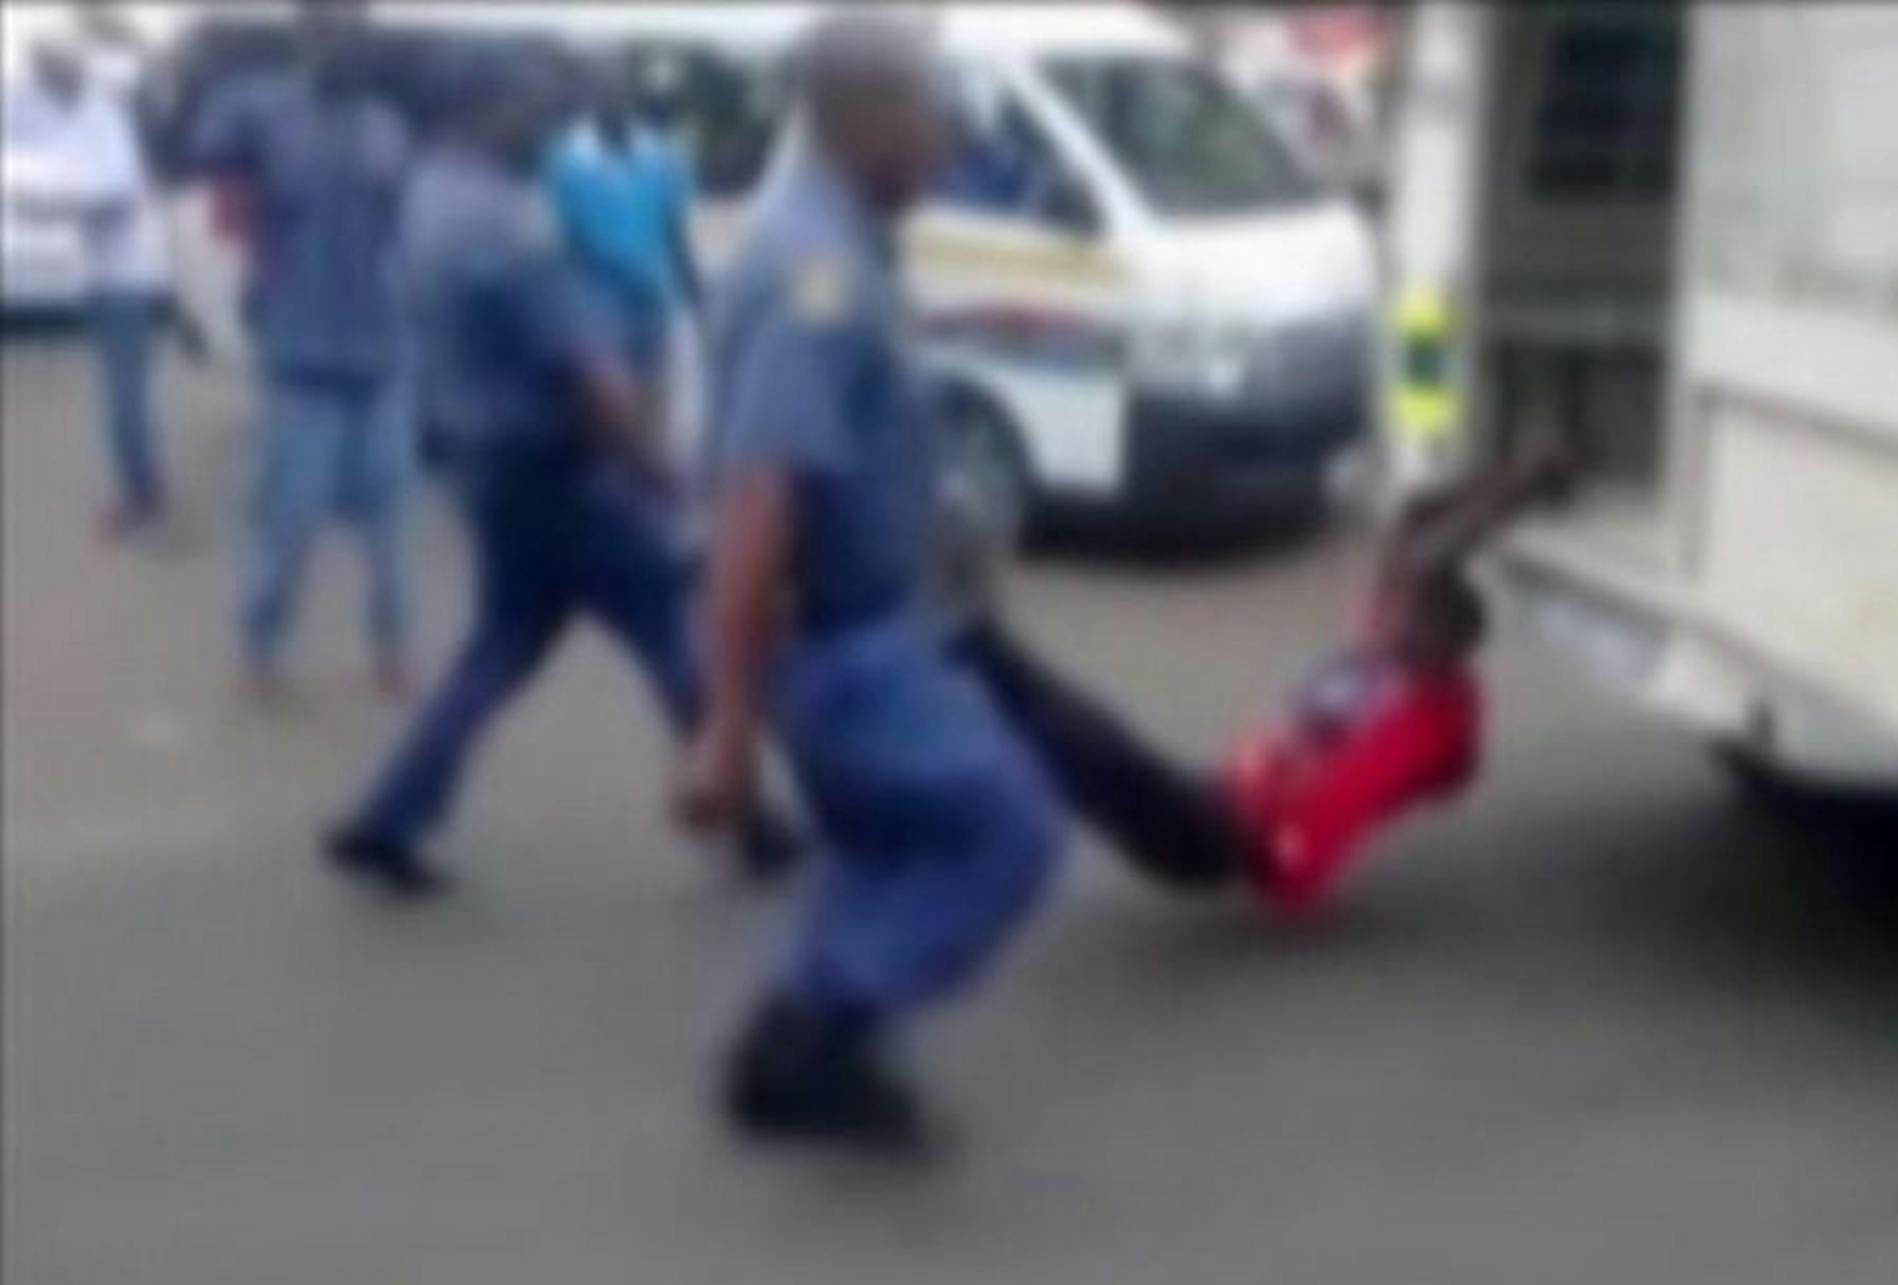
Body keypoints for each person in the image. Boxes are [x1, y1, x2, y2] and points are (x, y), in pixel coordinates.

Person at [676, 16, 1064, 1154]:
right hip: (841, 644)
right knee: (1009, 831)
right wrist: (727, 727)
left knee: (889, 845)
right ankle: (808, 1027)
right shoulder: (819, 278)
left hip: (876, 624)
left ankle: (810, 1040)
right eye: (932, 113)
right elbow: (759, 506)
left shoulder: (842, 243)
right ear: (868, 119)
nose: (947, 141)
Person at [322, 47, 796, 898]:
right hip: (557, 467)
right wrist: (661, 473)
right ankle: (750, 816)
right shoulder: (510, 223)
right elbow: (594, 381)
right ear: (486, 108)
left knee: (500, 648)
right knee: (673, 630)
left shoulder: (431, 197)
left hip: (489, 462)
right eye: (535, 109)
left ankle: (388, 816)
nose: (549, 127)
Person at [945, 446, 1584, 914]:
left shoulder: (1438, 715)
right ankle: (979, 657)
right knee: (1101, 746)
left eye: (1410, 626)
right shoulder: (1389, 651)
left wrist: (1517, 490)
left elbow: (1425, 563)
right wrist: (1509, 481)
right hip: (1226, 795)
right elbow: (1413, 532)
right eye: (1398, 616)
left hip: (1243, 844)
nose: (1389, 624)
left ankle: (978, 667)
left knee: (1097, 761)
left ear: (1444, 650)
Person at [187, 0, 416, 704]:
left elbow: (400, 225)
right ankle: (260, 650)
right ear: (305, 32)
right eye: (330, 21)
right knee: (290, 514)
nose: (346, 35)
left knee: (389, 521)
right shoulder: (256, 109)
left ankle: (391, 652)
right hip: (300, 350)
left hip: (382, 349)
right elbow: (214, 171)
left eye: (357, 23)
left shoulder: (386, 125)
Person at [8, 40, 173, 540]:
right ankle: (144, 485)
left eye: (49, 76)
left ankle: (139, 498)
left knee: (123, 399)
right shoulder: (82, 119)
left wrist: (45, 206)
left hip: (127, 278)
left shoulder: (103, 119)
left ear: (70, 73)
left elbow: (115, 196)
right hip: (108, 276)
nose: (45, 87)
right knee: (123, 395)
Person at [543, 55, 700, 404]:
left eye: (616, 91)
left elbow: (676, 233)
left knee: (657, 399)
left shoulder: (665, 157)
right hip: (596, 304)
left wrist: (696, 302)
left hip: (654, 299)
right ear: (587, 100)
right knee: (607, 404)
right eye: (599, 91)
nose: (609, 99)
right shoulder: (564, 160)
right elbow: (559, 240)